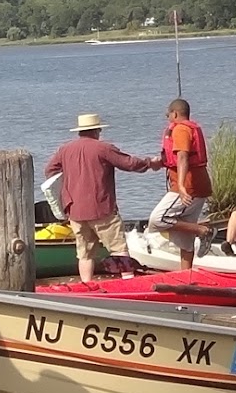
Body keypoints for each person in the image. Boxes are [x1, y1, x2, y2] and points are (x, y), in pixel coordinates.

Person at [43, 113, 154, 282]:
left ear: (80, 131)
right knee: (118, 249)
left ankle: (86, 286)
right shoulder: (103, 148)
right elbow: (130, 164)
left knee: (85, 254)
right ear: (97, 130)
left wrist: (66, 190)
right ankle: (129, 282)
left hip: (75, 211)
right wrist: (150, 163)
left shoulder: (65, 150)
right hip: (102, 209)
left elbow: (50, 171)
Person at [147, 98, 213, 269]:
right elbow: (175, 158)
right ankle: (186, 276)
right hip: (199, 186)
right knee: (185, 240)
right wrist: (159, 163)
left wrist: (182, 186)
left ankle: (202, 230)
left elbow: (183, 156)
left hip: (189, 187)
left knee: (157, 219)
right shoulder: (185, 129)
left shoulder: (181, 130)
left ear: (175, 114)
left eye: (168, 114)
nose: (167, 118)